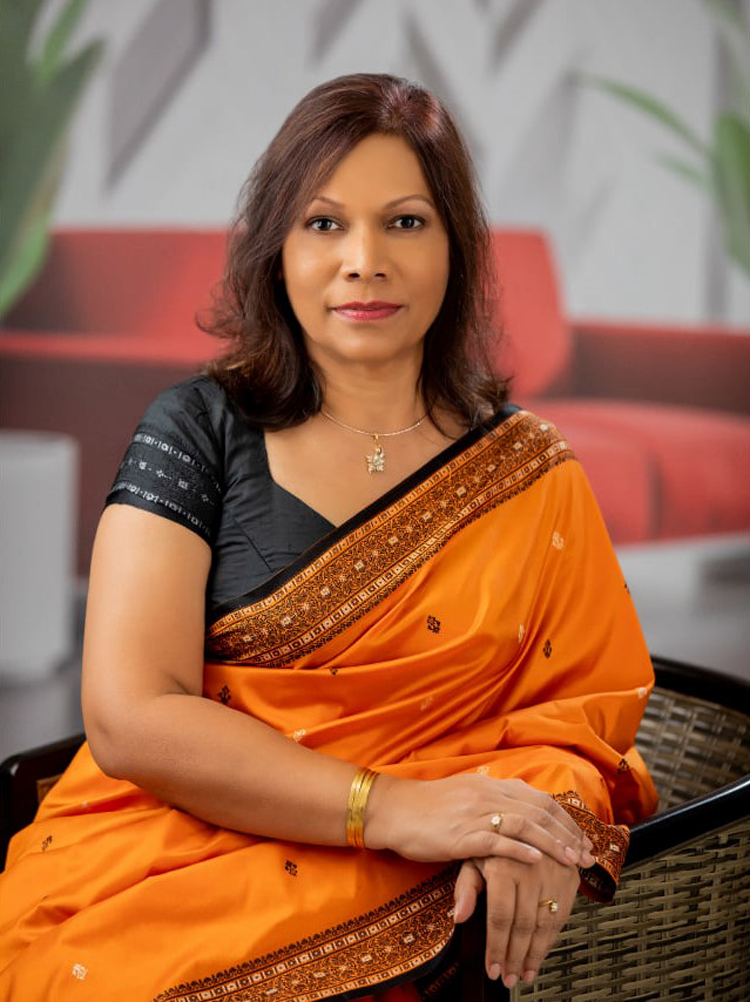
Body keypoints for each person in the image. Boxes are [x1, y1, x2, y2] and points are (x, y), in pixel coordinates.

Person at [0, 73, 657, 1000]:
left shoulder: (529, 472)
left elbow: (580, 721)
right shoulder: (194, 430)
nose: (364, 261)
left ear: (457, 248)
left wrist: (527, 825)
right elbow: (131, 713)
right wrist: (388, 808)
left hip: (437, 878)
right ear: (276, 248)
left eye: (405, 222)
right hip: (169, 854)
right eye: (323, 223)